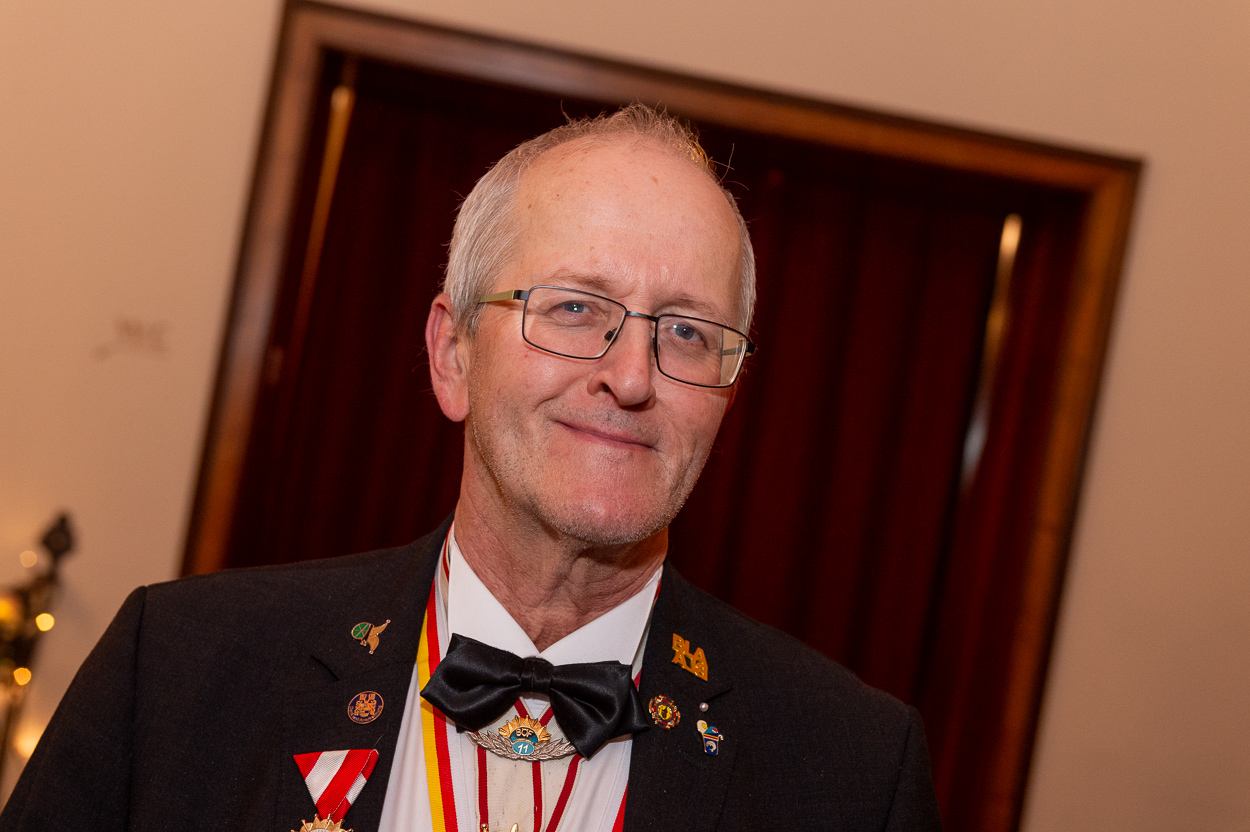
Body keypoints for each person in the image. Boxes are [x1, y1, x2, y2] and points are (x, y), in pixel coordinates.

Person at [1, 105, 942, 832]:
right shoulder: (178, 673)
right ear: (452, 354)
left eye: (688, 332)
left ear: (729, 393)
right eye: (574, 308)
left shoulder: (854, 774)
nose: (630, 376)